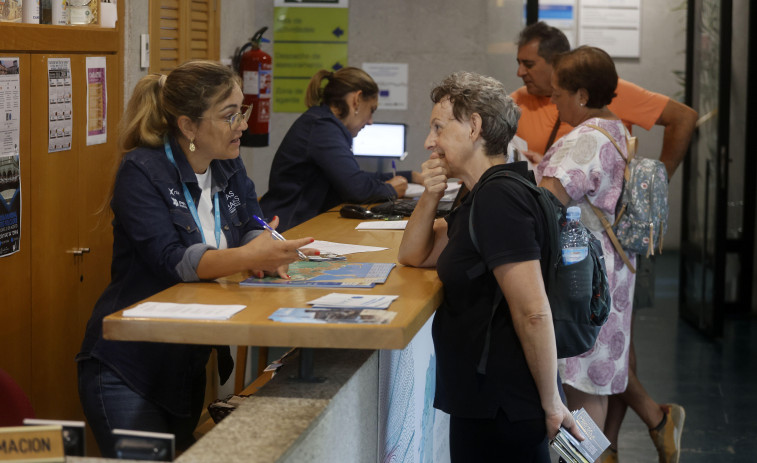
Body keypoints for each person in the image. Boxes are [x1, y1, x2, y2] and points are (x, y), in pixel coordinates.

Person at [76, 60, 317, 457]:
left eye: (243, 111)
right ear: (189, 127)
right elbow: (174, 261)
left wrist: (267, 249)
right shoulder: (142, 170)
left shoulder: (229, 161)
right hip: (128, 368)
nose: (243, 124)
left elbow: (250, 221)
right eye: (230, 115)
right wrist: (247, 254)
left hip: (185, 367)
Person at [512, 22, 695, 463]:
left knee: (580, 390)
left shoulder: (586, 140)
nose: (551, 101)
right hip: (607, 273)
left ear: (579, 94)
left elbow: (547, 201)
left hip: (580, 278)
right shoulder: (615, 131)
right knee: (593, 382)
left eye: (558, 94)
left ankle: (585, 461)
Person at [398, 71, 581, 462]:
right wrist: (430, 196)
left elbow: (532, 311)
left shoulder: (500, 200)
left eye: (438, 128)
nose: (430, 142)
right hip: (486, 402)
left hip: (505, 406)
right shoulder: (479, 195)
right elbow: (414, 255)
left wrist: (551, 403)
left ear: (474, 127)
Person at [259, 67, 421, 232]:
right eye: (371, 110)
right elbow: (357, 189)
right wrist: (391, 190)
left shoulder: (323, 123)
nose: (371, 121)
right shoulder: (323, 127)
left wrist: (410, 176)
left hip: (297, 224)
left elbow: (356, 178)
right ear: (356, 100)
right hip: (286, 228)